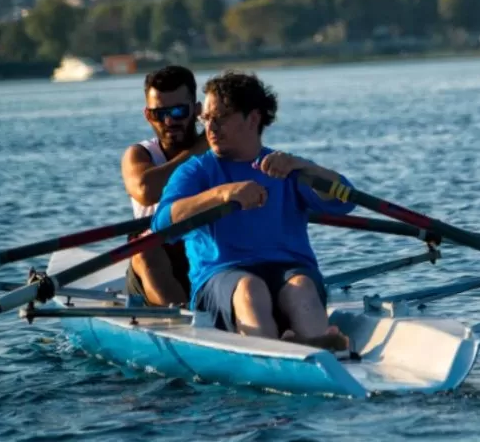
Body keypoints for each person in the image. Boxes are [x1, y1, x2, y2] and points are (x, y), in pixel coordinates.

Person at [151, 70, 355, 349]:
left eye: (220, 117)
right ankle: (275, 353)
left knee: (302, 288)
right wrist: (222, 194)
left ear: (253, 119)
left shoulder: (285, 167)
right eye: (206, 118)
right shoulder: (196, 172)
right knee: (251, 288)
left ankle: (319, 349)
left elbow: (345, 199)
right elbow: (162, 225)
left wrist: (307, 169)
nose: (210, 127)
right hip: (221, 278)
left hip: (289, 271)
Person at [121, 65, 208, 306]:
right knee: (144, 248)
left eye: (179, 111)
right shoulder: (139, 155)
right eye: (160, 113)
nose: (170, 121)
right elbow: (146, 192)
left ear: (197, 110)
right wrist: (199, 149)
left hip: (206, 251)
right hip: (157, 259)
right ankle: (186, 323)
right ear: (148, 115)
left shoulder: (221, 152)